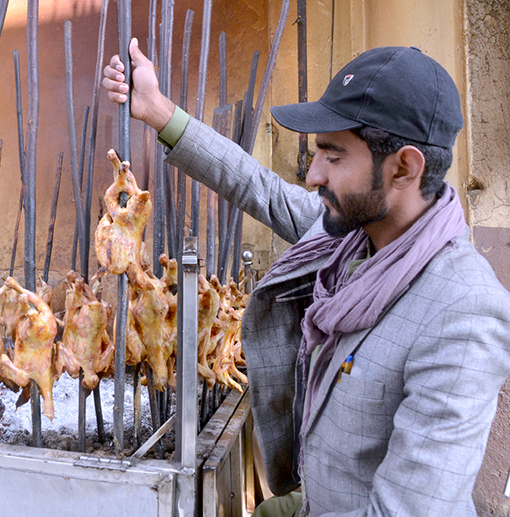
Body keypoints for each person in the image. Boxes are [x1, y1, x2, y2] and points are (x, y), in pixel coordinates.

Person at [103, 40, 510, 516]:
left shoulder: (462, 311)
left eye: (333, 157)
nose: (313, 174)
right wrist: (158, 111)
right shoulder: (354, 237)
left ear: (404, 167)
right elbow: (260, 188)